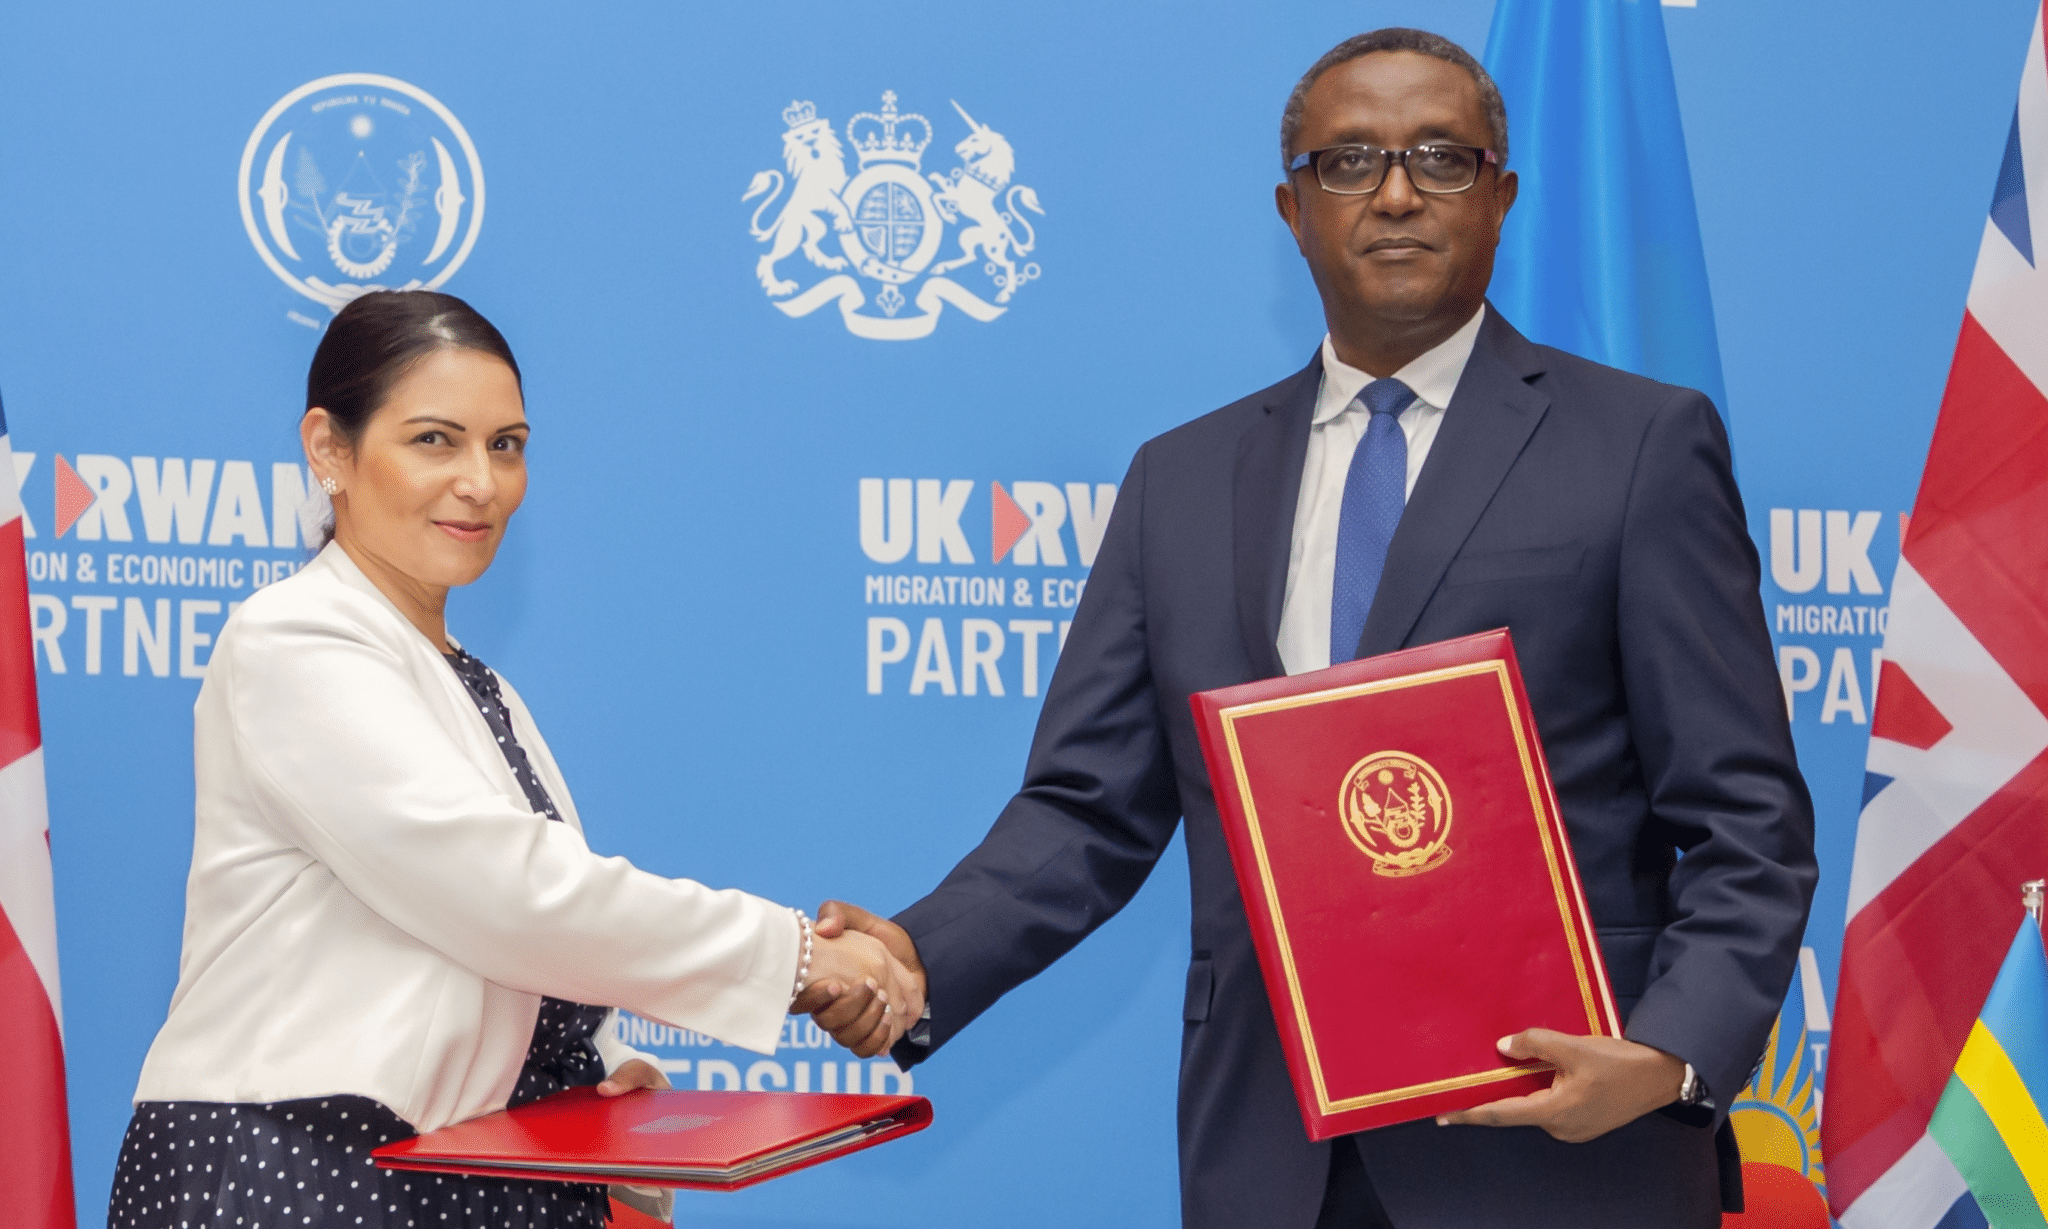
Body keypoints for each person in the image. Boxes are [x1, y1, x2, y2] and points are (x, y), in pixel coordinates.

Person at [804, 28, 1817, 1229]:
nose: (1394, 192)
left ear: (1500, 197)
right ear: (1290, 209)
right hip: (1271, 1157)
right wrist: (920, 954)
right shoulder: (1179, 479)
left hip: (1558, 1140)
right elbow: (1087, 806)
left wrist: (1664, 1056)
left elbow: (1746, 817)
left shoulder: (1639, 446)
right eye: (1348, 163)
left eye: (1440, 158)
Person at [109, 290, 921, 1229]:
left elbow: (519, 940)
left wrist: (603, 1074)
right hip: (294, 1166)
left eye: (506, 444)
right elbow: (504, 892)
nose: (481, 482)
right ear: (330, 448)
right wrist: (798, 955)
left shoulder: (473, 681)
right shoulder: (293, 637)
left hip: (452, 1177)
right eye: (434, 441)